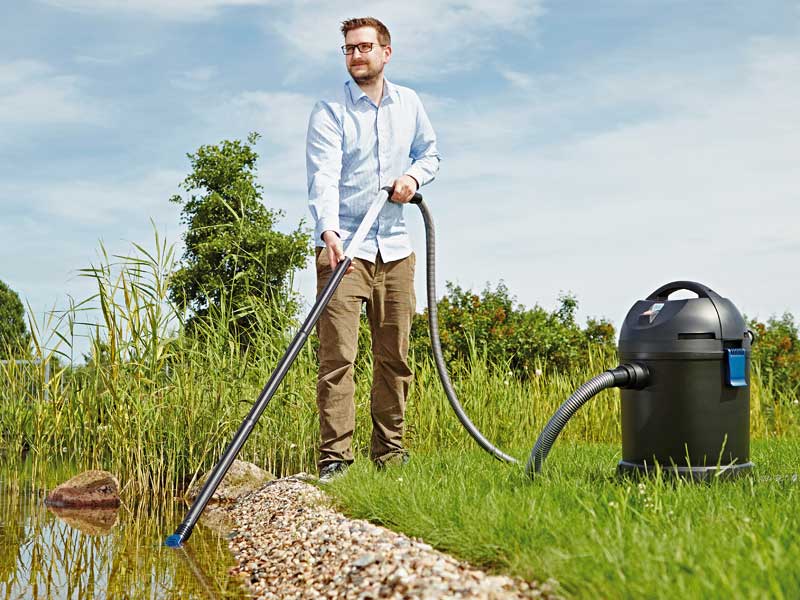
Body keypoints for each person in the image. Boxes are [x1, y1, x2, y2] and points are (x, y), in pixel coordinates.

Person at [305, 16, 440, 482]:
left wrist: (413, 178)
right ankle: (336, 461)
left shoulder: (410, 104)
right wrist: (328, 234)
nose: (356, 56)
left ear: (386, 52)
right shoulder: (329, 111)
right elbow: (322, 176)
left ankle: (390, 455)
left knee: (395, 356)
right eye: (348, 49)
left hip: (396, 249)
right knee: (337, 358)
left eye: (364, 47)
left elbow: (430, 153)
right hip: (345, 247)